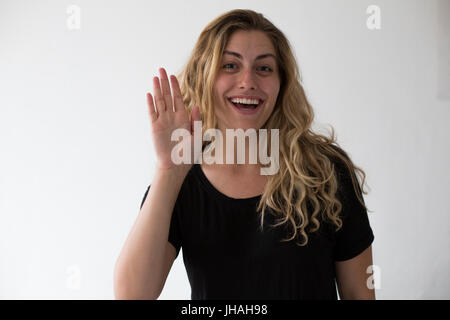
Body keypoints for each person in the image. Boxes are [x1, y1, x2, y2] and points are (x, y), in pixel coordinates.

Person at [114, 9, 375, 300]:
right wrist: (168, 171)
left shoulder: (326, 171)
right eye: (229, 65)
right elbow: (132, 295)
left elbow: (359, 294)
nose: (248, 81)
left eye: (264, 68)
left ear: (281, 83)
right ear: (205, 77)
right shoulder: (180, 181)